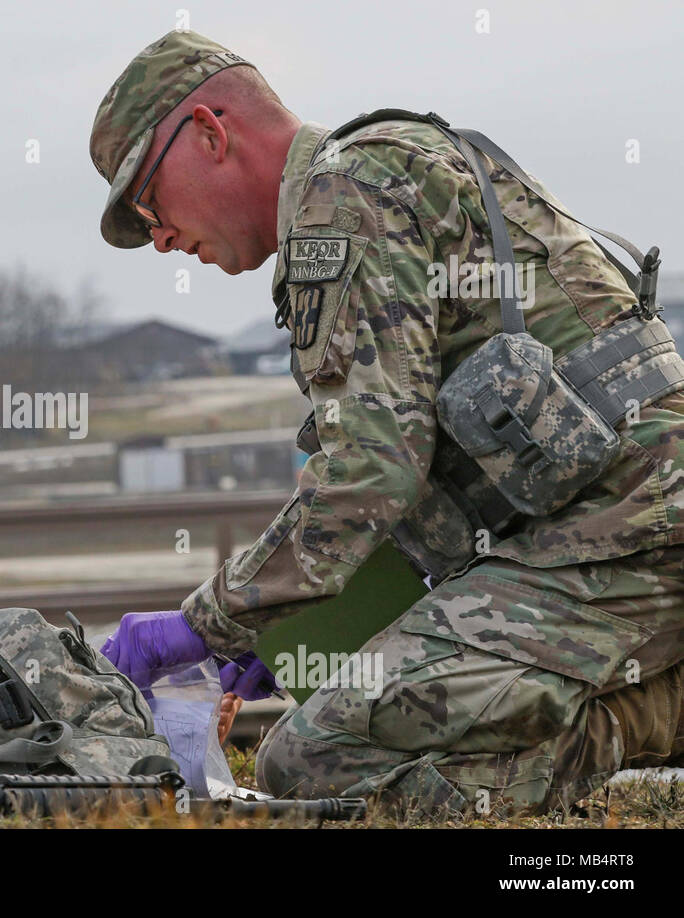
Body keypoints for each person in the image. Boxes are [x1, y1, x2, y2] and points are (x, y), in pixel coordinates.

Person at [92, 30, 684, 815]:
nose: (160, 237)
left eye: (149, 201)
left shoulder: (346, 195)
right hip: (609, 529)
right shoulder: (382, 168)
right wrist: (281, 623)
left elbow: (374, 468)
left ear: (210, 131)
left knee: (314, 762)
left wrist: (206, 624)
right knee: (345, 718)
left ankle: (650, 711)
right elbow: (418, 466)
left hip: (625, 537)